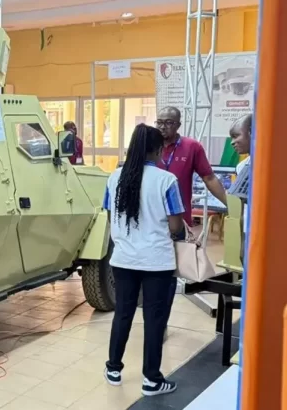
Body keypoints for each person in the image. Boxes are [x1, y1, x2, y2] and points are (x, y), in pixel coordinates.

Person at [102, 124, 185, 396]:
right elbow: (175, 225)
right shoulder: (166, 180)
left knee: (123, 314)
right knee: (154, 319)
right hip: (157, 262)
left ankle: (113, 368)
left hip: (123, 259)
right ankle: (152, 379)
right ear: (158, 150)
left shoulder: (114, 178)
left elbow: (109, 212)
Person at [154, 106, 229, 340]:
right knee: (150, 277)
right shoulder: (150, 145)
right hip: (150, 224)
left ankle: (160, 324)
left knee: (168, 278)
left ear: (178, 124)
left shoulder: (192, 147)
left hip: (177, 225)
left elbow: (209, 178)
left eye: (168, 122)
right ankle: (153, 318)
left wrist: (231, 203)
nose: (163, 127)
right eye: (159, 122)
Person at [230, 113, 253, 264]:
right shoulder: (241, 166)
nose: (233, 142)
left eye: (236, 136)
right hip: (247, 229)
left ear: (252, 132)